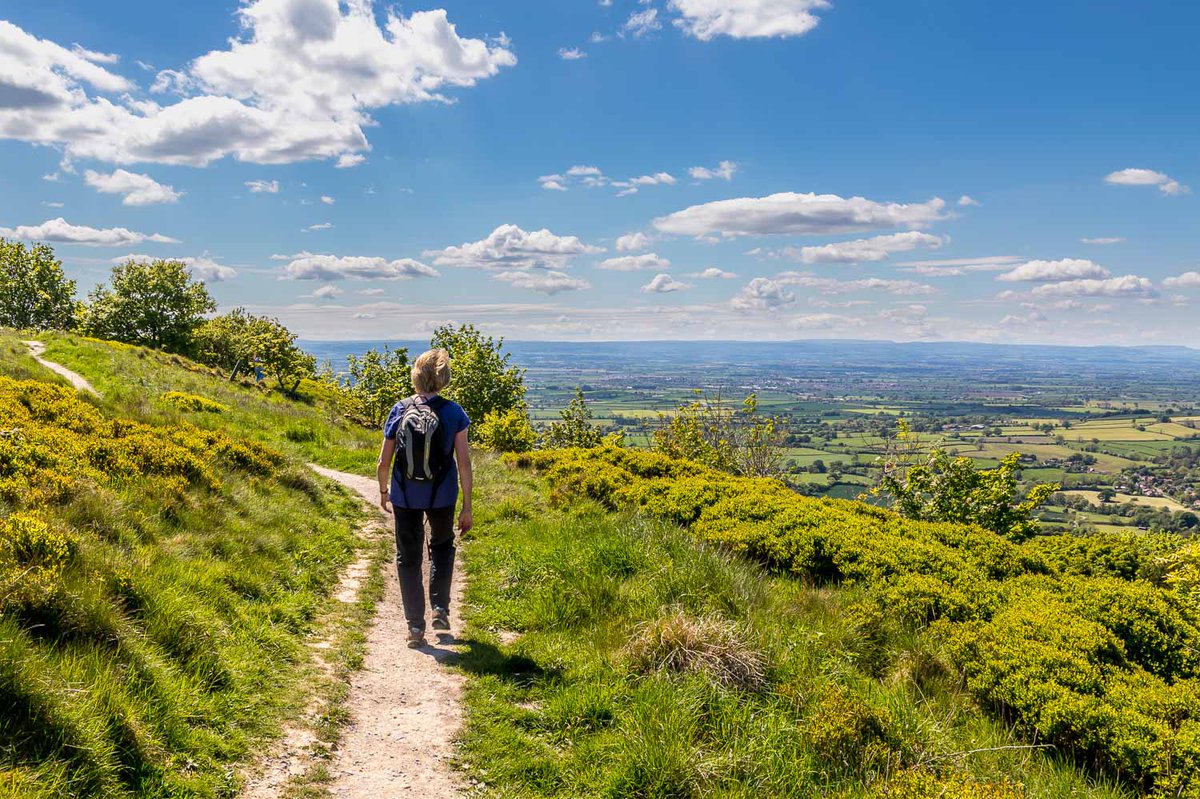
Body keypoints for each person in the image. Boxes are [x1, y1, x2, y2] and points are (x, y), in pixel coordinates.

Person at [376, 348, 472, 648]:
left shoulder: (400, 409)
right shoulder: (454, 412)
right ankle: (440, 611)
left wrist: (383, 491)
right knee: (442, 549)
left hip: (404, 495)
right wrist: (467, 506)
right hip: (442, 494)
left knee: (408, 558)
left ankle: (415, 628)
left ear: (415, 377)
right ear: (443, 379)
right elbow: (464, 462)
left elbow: (383, 461)